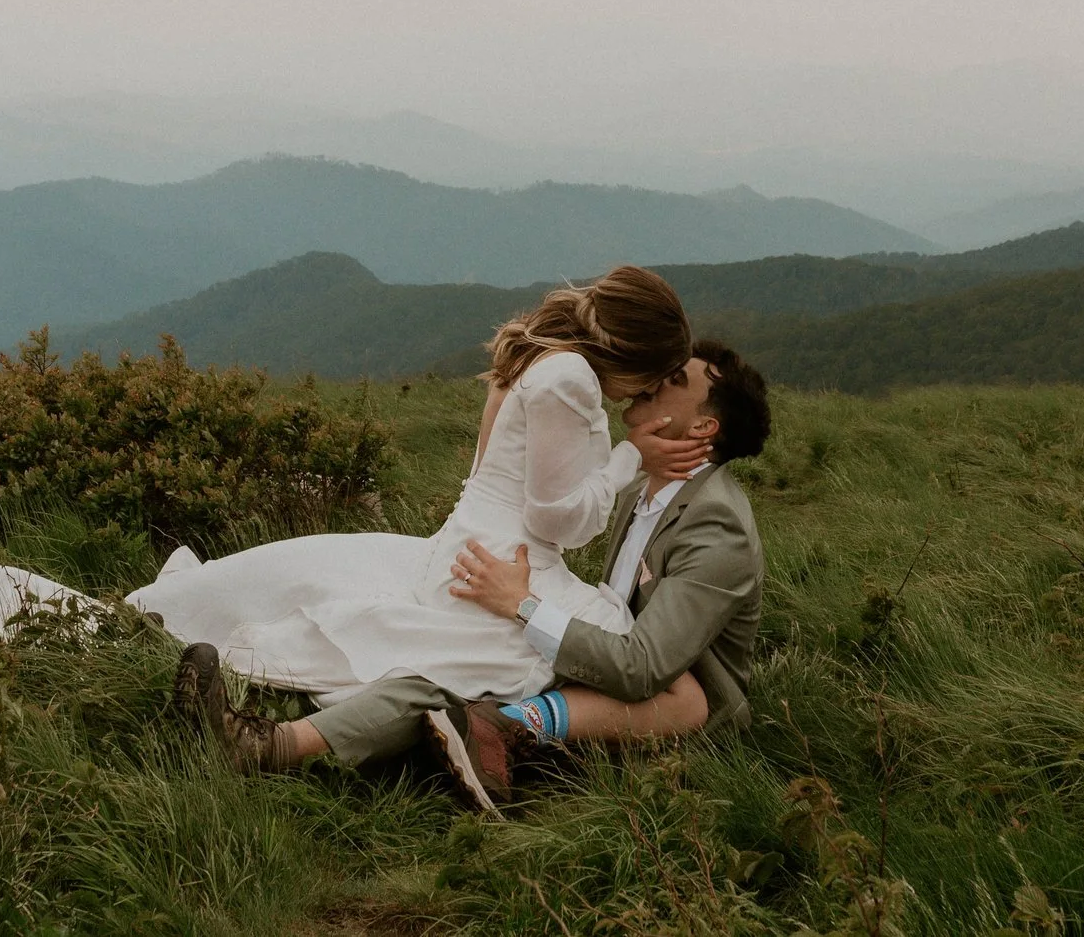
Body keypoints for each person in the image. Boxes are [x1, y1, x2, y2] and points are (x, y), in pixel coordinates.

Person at [0, 265, 712, 716]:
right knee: (568, 657)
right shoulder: (573, 381)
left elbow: (487, 477)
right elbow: (560, 521)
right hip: (501, 566)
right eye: (654, 375)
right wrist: (627, 465)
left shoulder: (540, 357)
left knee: (311, 596)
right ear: (632, 356)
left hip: (463, 545)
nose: (647, 395)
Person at [186, 339, 771, 808]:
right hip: (605, 664)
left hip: (663, 710)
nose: (654, 378)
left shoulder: (715, 524)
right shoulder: (648, 488)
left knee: (453, 672)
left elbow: (645, 665)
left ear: (703, 430)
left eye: (674, 381)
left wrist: (523, 607)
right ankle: (276, 741)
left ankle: (489, 730)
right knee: (450, 661)